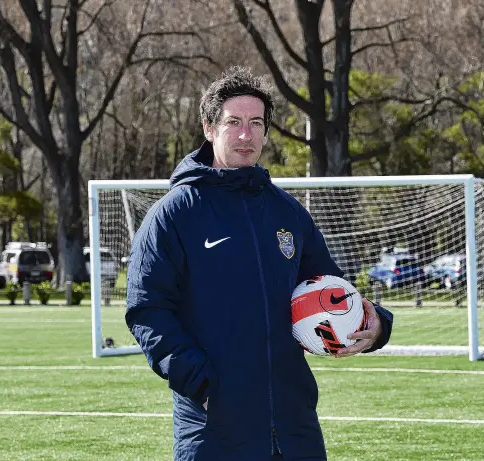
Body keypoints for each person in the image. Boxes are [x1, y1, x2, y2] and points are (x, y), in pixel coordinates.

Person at [125, 66, 394, 461]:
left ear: (267, 132)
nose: (245, 135)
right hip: (213, 427)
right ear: (209, 128)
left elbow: (332, 289)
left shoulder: (288, 213)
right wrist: (201, 383)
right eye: (233, 122)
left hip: (293, 423)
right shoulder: (175, 214)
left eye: (256, 123)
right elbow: (147, 309)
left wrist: (377, 323)